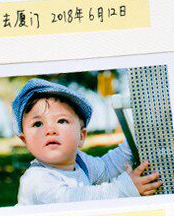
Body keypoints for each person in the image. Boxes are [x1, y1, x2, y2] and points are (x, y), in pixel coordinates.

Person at [11, 77, 162, 205]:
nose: (50, 130)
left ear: (81, 136)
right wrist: (125, 188)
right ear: (25, 140)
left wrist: (136, 141)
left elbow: (107, 168)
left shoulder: (80, 162)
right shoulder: (36, 180)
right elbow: (76, 201)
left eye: (62, 121)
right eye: (38, 124)